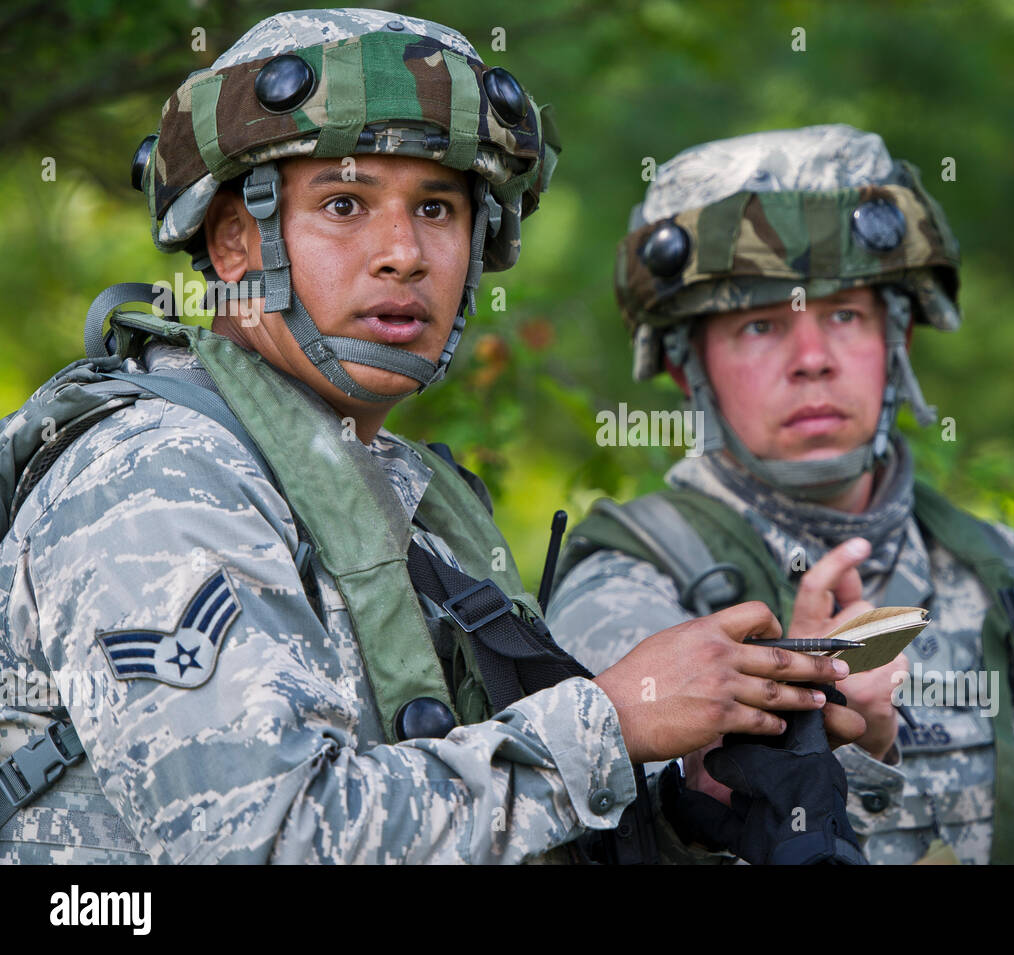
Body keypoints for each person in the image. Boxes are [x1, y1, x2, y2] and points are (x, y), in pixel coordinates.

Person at [0, 10, 864, 865]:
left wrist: (689, 802)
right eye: (345, 204)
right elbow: (263, 842)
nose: (403, 253)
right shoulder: (157, 474)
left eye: (439, 209)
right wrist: (611, 716)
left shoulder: (398, 493)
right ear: (235, 243)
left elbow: (462, 810)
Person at [547, 124, 1014, 864]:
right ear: (689, 370)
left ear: (897, 342)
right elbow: (581, 843)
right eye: (760, 325)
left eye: (845, 314)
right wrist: (818, 747)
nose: (813, 359)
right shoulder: (626, 595)